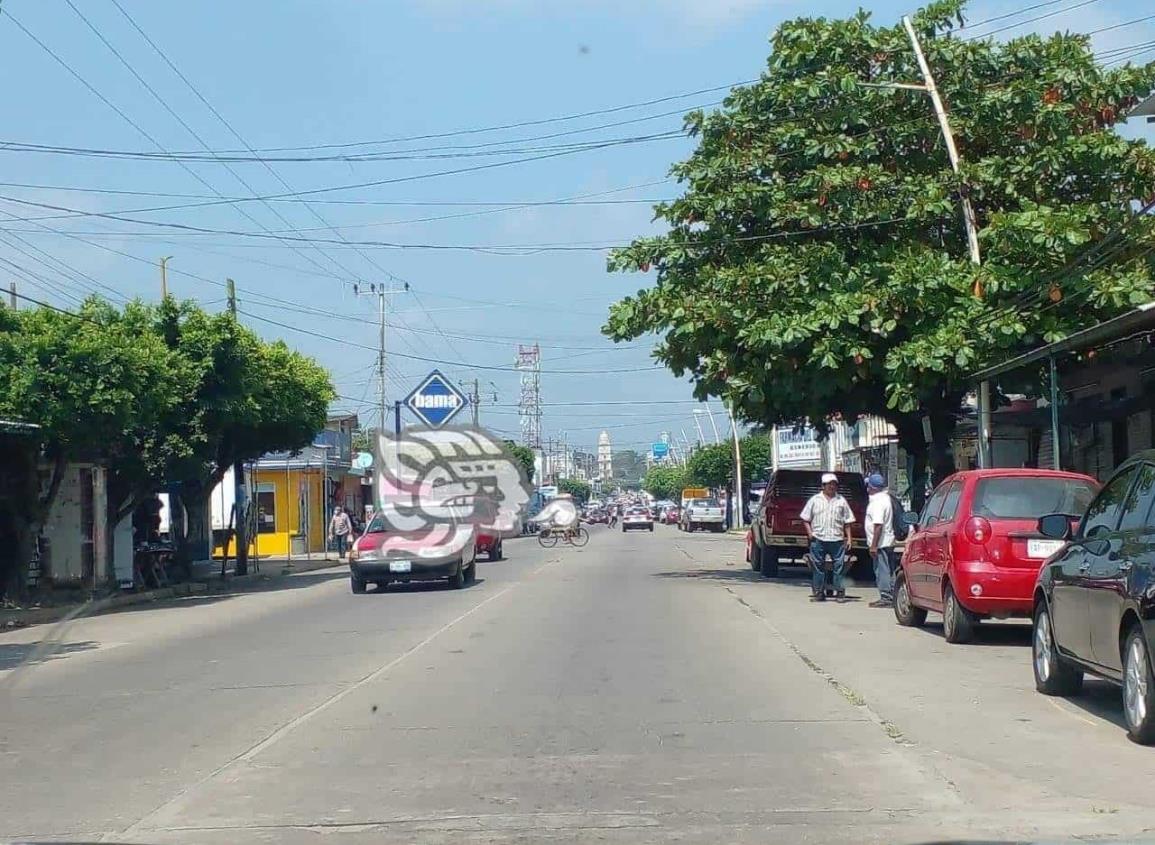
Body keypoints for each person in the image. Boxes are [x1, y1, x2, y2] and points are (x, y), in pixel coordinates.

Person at [800, 473, 855, 602]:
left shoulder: (841, 500)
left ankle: (840, 593)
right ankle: (819, 592)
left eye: (834, 484)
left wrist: (849, 538)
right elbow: (805, 518)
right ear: (823, 486)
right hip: (818, 539)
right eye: (829, 484)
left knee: (839, 567)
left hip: (836, 540)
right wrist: (810, 533)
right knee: (818, 567)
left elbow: (848, 521)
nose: (832, 486)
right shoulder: (814, 500)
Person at [864, 473, 897, 608]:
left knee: (881, 570)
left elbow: (878, 525)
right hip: (887, 540)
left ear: (871, 487)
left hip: (881, 543)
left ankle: (886, 596)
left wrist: (873, 545)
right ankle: (893, 595)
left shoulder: (877, 502)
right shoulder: (886, 498)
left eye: (868, 485)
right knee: (889, 569)